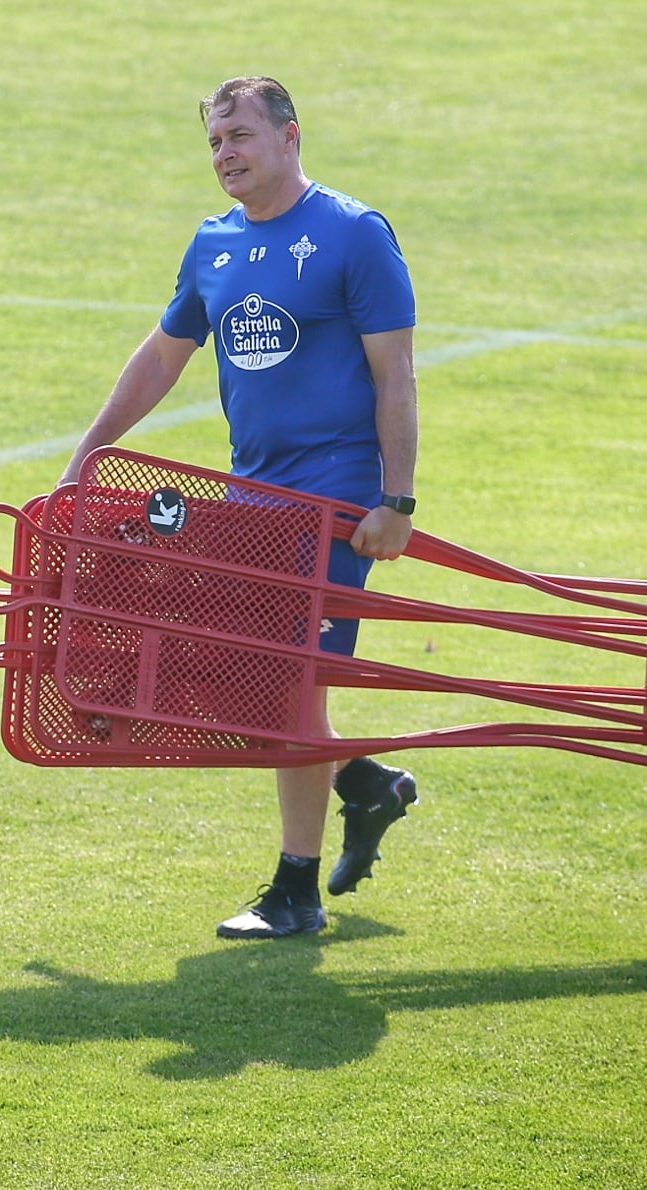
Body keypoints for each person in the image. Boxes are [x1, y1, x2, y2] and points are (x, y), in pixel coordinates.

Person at [59, 76, 421, 940]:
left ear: (290, 136)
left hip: (333, 502)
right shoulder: (213, 244)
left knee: (288, 684)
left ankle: (295, 891)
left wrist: (396, 501)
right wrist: (92, 447)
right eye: (214, 142)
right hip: (246, 498)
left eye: (240, 136)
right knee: (248, 682)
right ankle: (365, 786)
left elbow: (394, 373)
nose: (225, 154)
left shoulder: (353, 233)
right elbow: (162, 354)